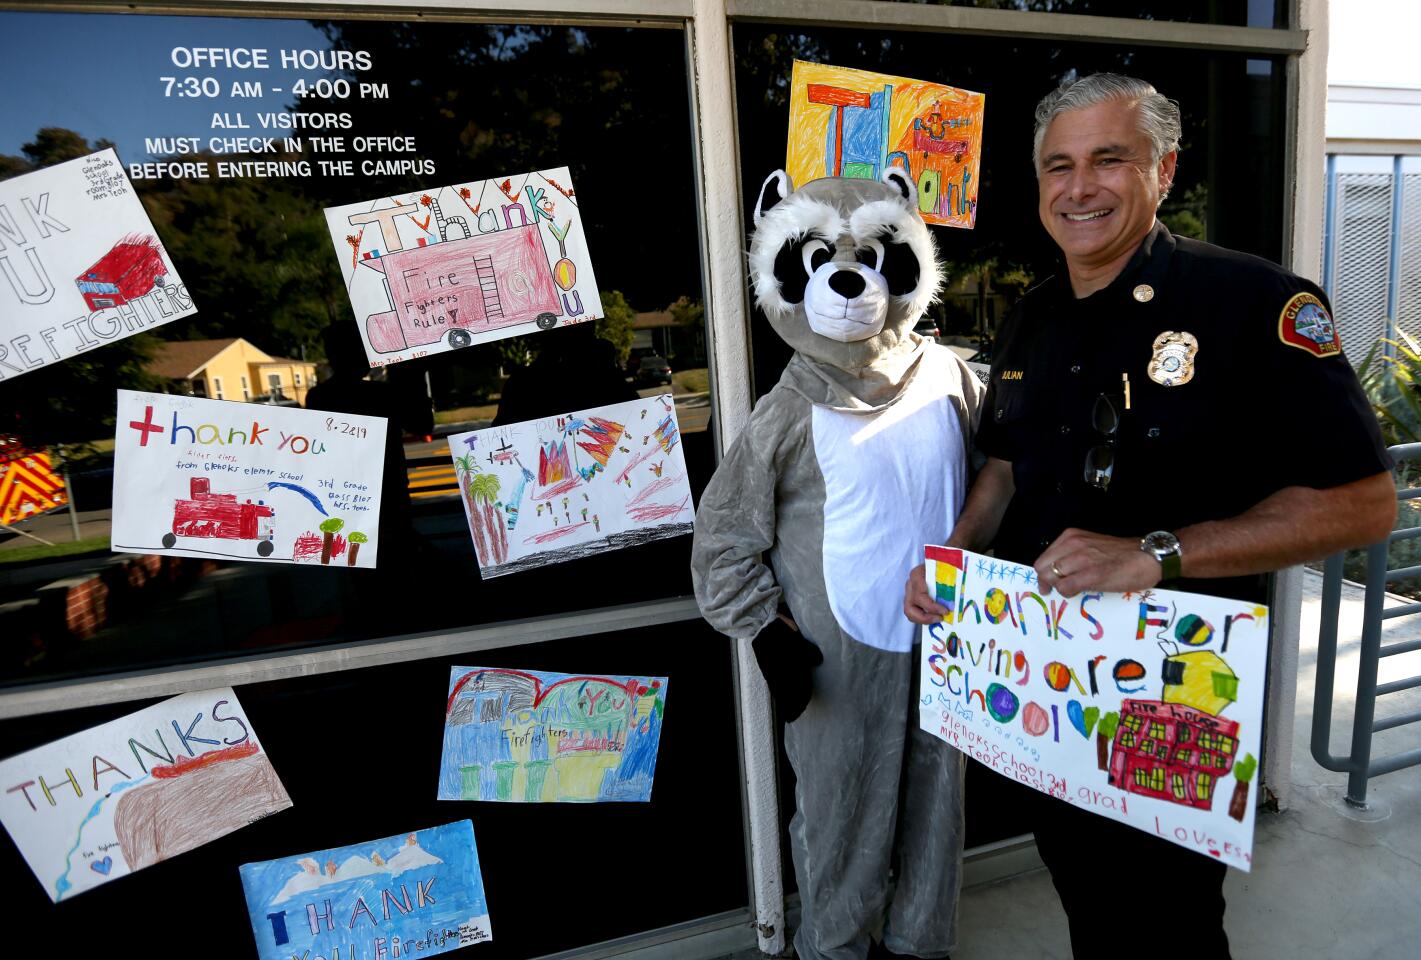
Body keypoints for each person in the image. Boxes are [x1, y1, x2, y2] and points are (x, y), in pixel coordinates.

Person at [902, 73, 1396, 958]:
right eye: (1058, 166)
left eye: (1108, 159)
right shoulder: (1032, 315)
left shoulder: (1253, 304)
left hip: (1175, 693)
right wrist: (949, 558)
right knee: (1088, 899)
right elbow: (1008, 467)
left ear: (1162, 171)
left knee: (1164, 924)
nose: (1078, 187)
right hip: (1046, 687)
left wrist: (1155, 554)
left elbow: (1362, 504)